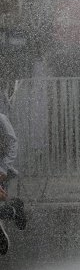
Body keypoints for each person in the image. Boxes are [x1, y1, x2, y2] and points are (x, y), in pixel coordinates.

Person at [0, 95, 27, 256]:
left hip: (3, 171)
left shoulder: (1, 119)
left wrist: (2, 168)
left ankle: (13, 209)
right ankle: (11, 210)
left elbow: (12, 143)